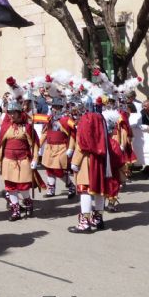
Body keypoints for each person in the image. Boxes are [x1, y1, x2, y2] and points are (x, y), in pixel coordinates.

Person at [0, 99, 41, 221]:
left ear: (20, 113)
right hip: (8, 161)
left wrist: (35, 159)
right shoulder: (6, 127)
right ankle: (16, 211)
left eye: (14, 112)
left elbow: (35, 144)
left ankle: (28, 202)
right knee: (10, 187)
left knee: (23, 187)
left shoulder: (28, 127)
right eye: (9, 112)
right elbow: (0, 145)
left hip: (23, 160)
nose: (11, 115)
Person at [69, 101, 111, 233]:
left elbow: (82, 143)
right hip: (100, 159)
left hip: (87, 159)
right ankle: (98, 218)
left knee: (85, 190)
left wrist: (75, 161)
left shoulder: (86, 119)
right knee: (99, 190)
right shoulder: (101, 118)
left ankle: (85, 222)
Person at [39, 97, 76, 198]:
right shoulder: (49, 119)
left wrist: (71, 149)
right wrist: (39, 145)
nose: (55, 109)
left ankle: (71, 185)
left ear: (61, 108)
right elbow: (45, 133)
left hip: (61, 147)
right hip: (49, 147)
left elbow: (73, 134)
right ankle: (51, 189)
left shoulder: (67, 119)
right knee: (49, 169)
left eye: (57, 107)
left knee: (58, 170)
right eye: (54, 107)